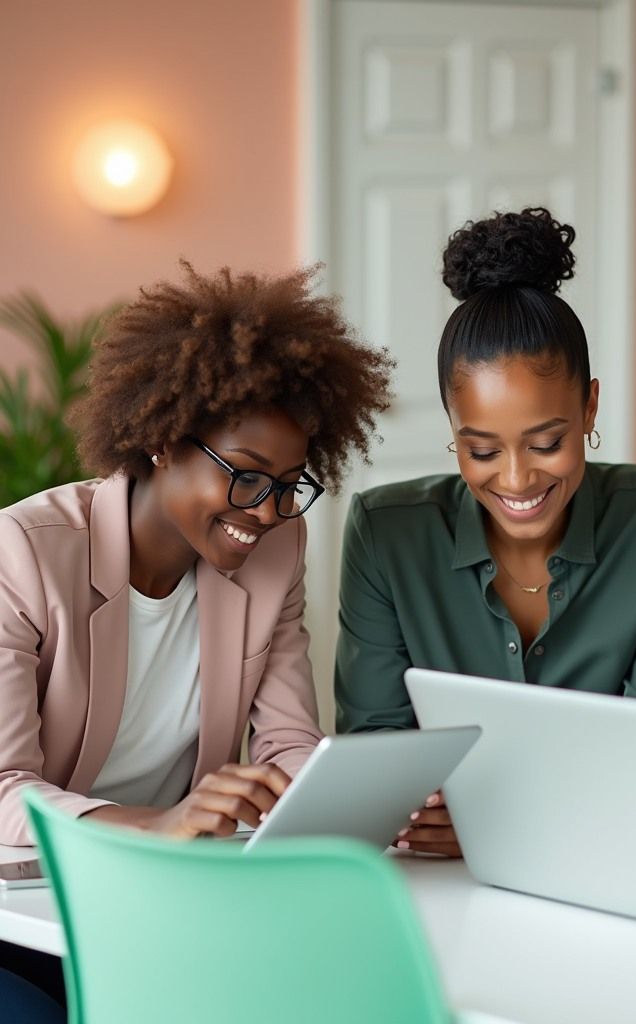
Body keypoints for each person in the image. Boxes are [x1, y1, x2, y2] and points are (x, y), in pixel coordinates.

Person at [0, 263, 391, 1010]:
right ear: (161, 441)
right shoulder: (23, 553)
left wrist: (352, 797)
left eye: (289, 484)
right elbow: (2, 792)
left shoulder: (276, 553)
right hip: (24, 918)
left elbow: (287, 743)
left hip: (166, 906)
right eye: (245, 475)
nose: (268, 511)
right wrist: (158, 824)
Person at [335, 207, 636, 856]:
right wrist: (432, 815)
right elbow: (376, 744)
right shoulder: (384, 533)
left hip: (594, 858)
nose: (515, 479)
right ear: (452, 431)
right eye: (480, 450)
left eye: (546, 443)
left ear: (590, 406)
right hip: (433, 874)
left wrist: (495, 820)